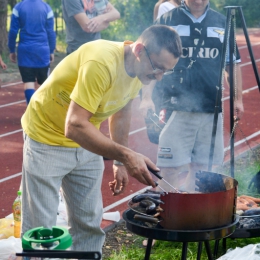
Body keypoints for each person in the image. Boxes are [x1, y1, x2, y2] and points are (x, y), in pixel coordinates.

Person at [20, 25, 182, 253]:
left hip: (86, 140)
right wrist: (126, 155)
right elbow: (74, 125)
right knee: (41, 229)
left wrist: (120, 162)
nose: (159, 77)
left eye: (166, 71)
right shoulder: (101, 63)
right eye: (157, 68)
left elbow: (122, 110)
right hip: (47, 137)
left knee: (88, 223)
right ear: (138, 50)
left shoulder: (139, 71)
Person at [140, 0, 244, 192]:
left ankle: (190, 215)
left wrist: (238, 99)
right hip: (174, 107)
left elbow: (233, 63)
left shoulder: (222, 22)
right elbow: (149, 60)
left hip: (210, 108)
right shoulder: (168, 20)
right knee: (169, 169)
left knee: (202, 170)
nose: (198, 1)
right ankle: (166, 216)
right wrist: (146, 96)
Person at [8, 0, 56, 105]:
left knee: (28, 83)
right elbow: (51, 32)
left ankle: (31, 113)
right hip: (42, 52)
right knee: (44, 85)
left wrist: (12, 50)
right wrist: (51, 50)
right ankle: (43, 114)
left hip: (25, 51)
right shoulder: (47, 8)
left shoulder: (18, 7)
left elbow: (13, 31)